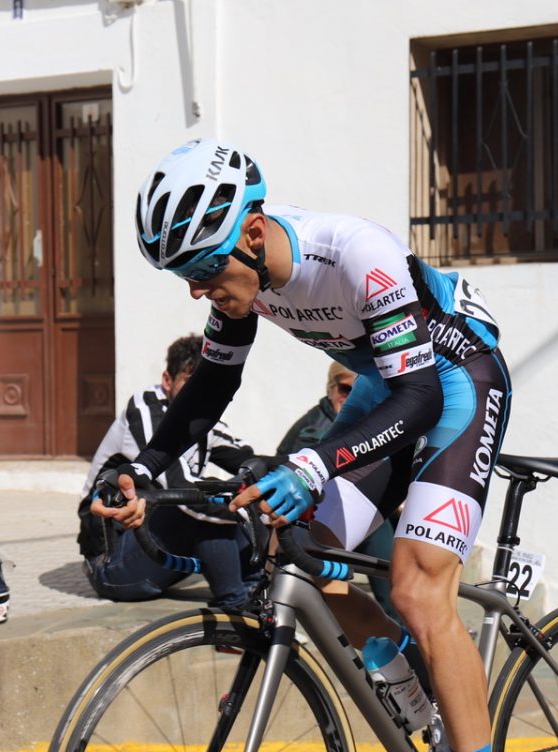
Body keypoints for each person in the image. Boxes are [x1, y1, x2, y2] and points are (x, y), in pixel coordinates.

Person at [95, 138, 512, 752]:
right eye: (184, 276)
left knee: (417, 589)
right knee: (303, 557)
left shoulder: (355, 254)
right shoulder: (245, 274)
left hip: (455, 383)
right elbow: (213, 380)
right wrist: (145, 467)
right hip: (385, 386)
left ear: (253, 234)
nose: (196, 290)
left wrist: (314, 465)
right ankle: (418, 697)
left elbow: (421, 398)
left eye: (203, 270)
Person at [79, 333, 263, 611]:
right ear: (167, 380)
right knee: (199, 501)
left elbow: (250, 462)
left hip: (157, 550)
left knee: (247, 486)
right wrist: (247, 507)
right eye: (191, 382)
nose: (200, 393)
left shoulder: (205, 419)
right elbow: (182, 489)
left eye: (208, 383)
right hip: (111, 563)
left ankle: (255, 589)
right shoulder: (145, 409)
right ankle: (235, 606)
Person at [278, 360, 400, 622]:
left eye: (358, 390)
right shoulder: (314, 425)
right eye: (345, 389)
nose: (350, 396)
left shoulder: (369, 420)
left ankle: (401, 636)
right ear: (330, 388)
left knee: (394, 588)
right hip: (319, 512)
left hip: (361, 508)